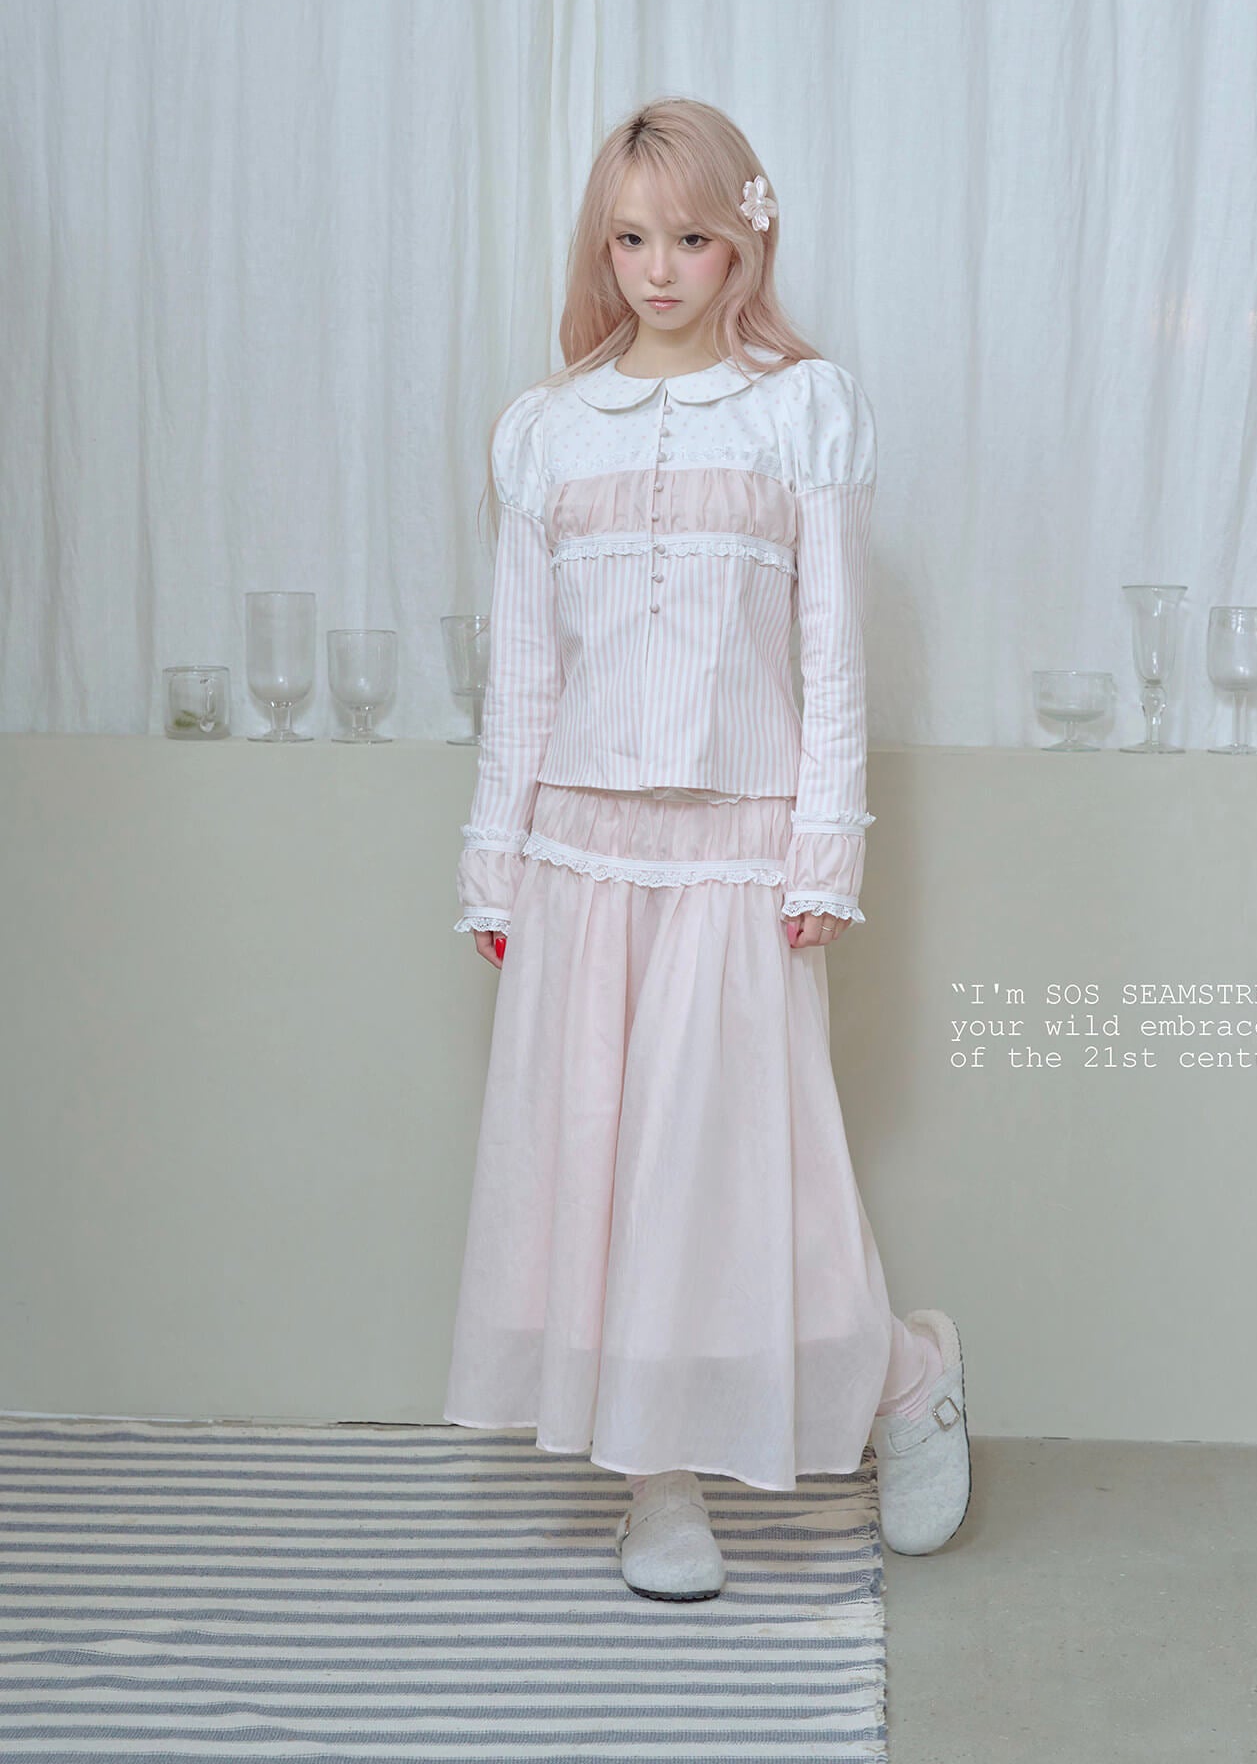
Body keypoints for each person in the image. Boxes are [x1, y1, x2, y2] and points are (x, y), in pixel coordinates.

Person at [444, 97, 970, 1600]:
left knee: (742, 1169)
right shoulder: (545, 430)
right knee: (598, 1171)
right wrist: (493, 864)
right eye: (631, 239)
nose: (660, 270)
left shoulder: (802, 410)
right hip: (578, 853)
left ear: (744, 236)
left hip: (742, 851)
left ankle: (906, 1379)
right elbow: (521, 672)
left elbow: (833, 655)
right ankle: (655, 1481)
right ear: (600, 245)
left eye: (689, 237)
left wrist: (826, 851)